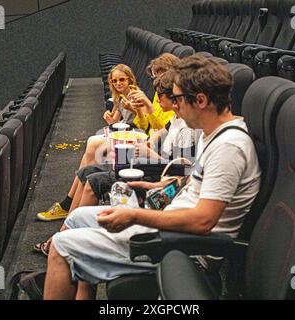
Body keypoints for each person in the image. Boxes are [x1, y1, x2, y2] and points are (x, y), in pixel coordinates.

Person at [43, 55, 261, 300]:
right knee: (77, 218)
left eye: (177, 99)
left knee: (62, 247)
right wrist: (159, 184)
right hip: (173, 228)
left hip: (183, 248)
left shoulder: (229, 147)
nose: (173, 106)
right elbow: (195, 182)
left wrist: (134, 215)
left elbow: (203, 221)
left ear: (200, 100)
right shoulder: (211, 135)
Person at [33, 68, 197, 256]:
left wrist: (149, 152)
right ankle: (64, 228)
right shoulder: (177, 119)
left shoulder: (189, 127)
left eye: (163, 97)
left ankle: (62, 240)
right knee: (87, 171)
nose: (158, 101)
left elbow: (181, 169)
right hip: (152, 162)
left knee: (94, 181)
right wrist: (151, 142)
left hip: (156, 171)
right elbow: (162, 131)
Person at [36, 55, 181, 222]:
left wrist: (144, 109)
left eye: (159, 76)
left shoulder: (180, 116)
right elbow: (152, 126)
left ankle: (69, 208)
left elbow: (153, 130)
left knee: (93, 151)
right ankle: (69, 207)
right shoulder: (161, 98)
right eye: (154, 76)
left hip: (149, 153)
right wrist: (140, 118)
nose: (155, 81)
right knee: (90, 155)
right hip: (146, 143)